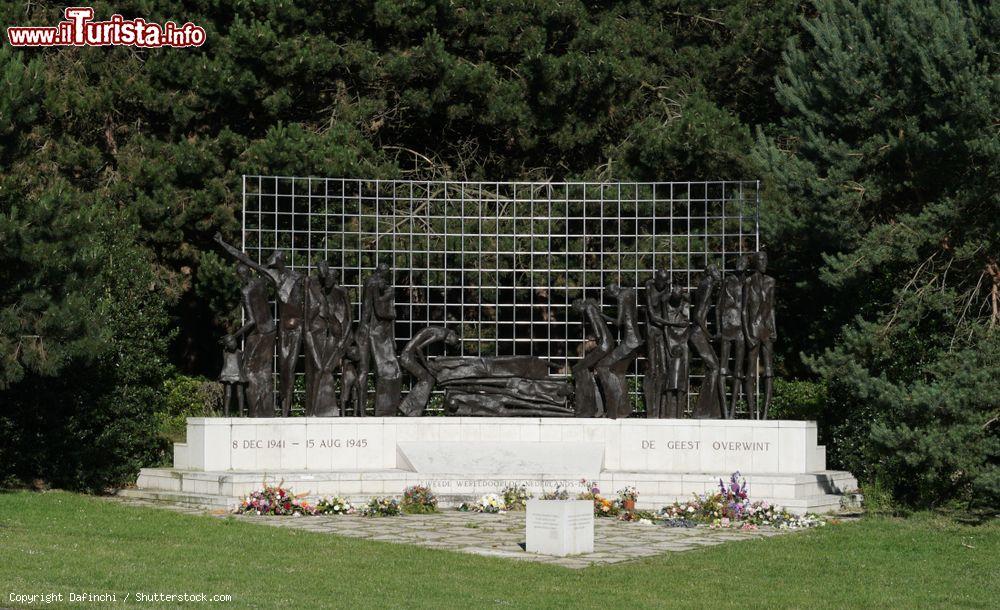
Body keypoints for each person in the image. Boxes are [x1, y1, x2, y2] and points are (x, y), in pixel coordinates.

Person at [216, 234, 304, 416]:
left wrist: (235, 335)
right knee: (264, 371)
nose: (269, 261)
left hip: (273, 331)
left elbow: (251, 320)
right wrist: (223, 243)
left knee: (253, 370)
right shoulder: (264, 279)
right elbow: (244, 259)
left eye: (273, 257)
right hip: (273, 329)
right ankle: (266, 411)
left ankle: (263, 411)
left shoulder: (249, 289)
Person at [356, 263, 402, 416]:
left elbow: (369, 308)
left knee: (366, 370)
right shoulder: (375, 284)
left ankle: (362, 412)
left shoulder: (372, 283)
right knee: (375, 371)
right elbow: (371, 309)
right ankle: (362, 412)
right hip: (375, 332)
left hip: (374, 331)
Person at [595, 283, 644, 419]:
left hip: (629, 342)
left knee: (603, 366)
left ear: (612, 291)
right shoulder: (630, 292)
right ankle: (624, 409)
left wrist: (602, 316)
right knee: (618, 372)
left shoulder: (621, 297)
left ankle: (614, 407)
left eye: (610, 296)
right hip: (636, 340)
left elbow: (618, 322)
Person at [743, 251, 777, 419]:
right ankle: (750, 414)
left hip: (766, 328)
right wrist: (747, 332)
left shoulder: (771, 281)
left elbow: (771, 308)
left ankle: (764, 415)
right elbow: (743, 310)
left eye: (766, 259)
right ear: (755, 262)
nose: (764, 262)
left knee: (769, 370)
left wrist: (774, 329)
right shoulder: (748, 282)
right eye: (761, 260)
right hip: (753, 328)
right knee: (750, 370)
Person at [398, 327, 459, 416]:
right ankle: (408, 408)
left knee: (429, 378)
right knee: (427, 379)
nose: (446, 342)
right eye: (448, 341)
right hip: (406, 358)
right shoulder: (441, 334)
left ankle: (408, 408)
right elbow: (419, 348)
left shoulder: (441, 331)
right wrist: (427, 366)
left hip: (408, 357)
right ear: (451, 334)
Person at [717, 255, 749, 419]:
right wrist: (718, 329)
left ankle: (732, 411)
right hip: (727, 325)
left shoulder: (747, 283)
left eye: (743, 262)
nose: (740, 264)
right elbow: (717, 307)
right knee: (723, 368)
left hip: (741, 329)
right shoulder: (727, 280)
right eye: (738, 261)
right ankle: (724, 412)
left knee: (738, 370)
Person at [689, 265, 723, 418]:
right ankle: (704, 411)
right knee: (715, 367)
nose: (719, 273)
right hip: (698, 333)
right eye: (716, 271)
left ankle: (711, 410)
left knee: (714, 365)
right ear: (710, 273)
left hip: (698, 332)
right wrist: (708, 334)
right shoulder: (708, 286)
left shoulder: (704, 285)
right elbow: (698, 315)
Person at [571, 298, 613, 417]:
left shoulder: (589, 308)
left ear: (580, 306)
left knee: (578, 368)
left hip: (603, 345)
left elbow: (597, 333)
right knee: (601, 374)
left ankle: (586, 407)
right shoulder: (593, 308)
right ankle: (600, 408)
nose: (580, 313)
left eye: (578, 310)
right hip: (608, 343)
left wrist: (591, 344)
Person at [643, 269, 670, 418]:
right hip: (652, 329)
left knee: (664, 368)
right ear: (656, 279)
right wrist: (672, 323)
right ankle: (652, 411)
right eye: (661, 281)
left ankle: (663, 408)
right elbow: (652, 316)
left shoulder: (666, 288)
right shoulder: (649, 287)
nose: (663, 284)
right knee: (653, 368)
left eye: (665, 282)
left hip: (661, 330)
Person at [662, 285, 690, 418]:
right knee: (670, 377)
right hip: (671, 337)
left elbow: (686, 321)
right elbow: (666, 326)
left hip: (682, 338)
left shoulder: (685, 303)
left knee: (682, 376)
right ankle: (668, 413)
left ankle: (679, 414)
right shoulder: (665, 302)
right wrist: (668, 345)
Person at [218, 334, 247, 417]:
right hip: (227, 374)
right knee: (227, 394)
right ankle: (226, 414)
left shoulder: (240, 353)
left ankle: (241, 414)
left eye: (233, 340)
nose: (232, 343)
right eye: (229, 342)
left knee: (240, 394)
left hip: (239, 374)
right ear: (226, 345)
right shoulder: (224, 352)